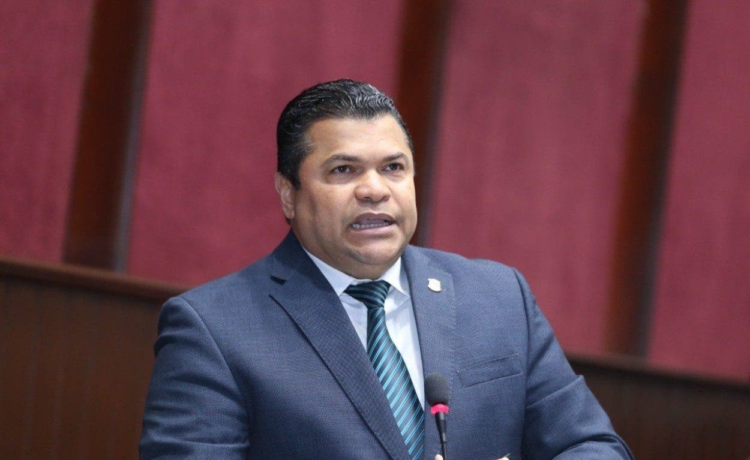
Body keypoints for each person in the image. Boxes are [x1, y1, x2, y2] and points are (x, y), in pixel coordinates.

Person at [139, 79, 634, 460]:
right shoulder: (215, 329)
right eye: (344, 170)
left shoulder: (498, 298)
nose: (375, 190)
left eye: (393, 168)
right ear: (289, 194)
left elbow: (591, 445)